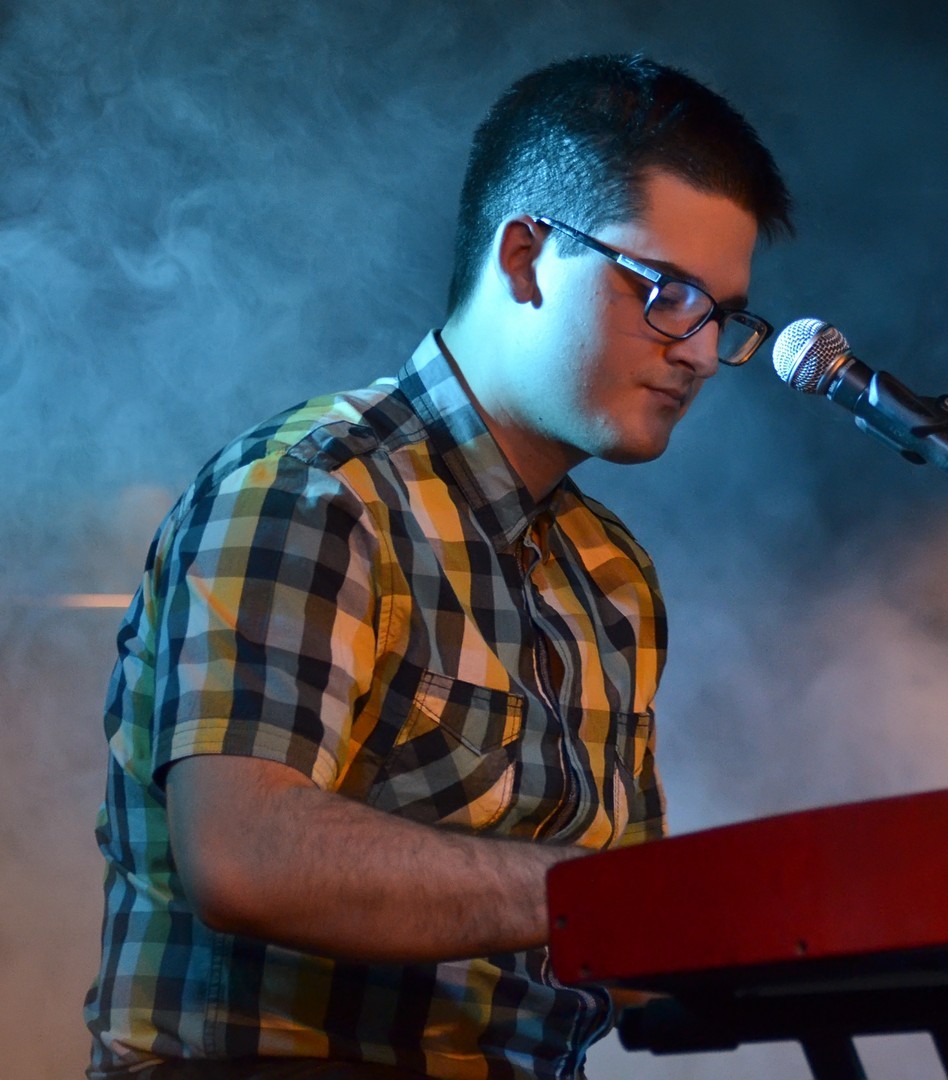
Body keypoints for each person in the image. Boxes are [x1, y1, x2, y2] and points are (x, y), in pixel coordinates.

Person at [84, 53, 793, 1079]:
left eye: (724, 313)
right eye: (668, 292)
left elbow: (625, 938)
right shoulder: (316, 492)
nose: (700, 351)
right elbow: (244, 856)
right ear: (525, 258)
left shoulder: (613, 578)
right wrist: (588, 894)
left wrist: (850, 932)